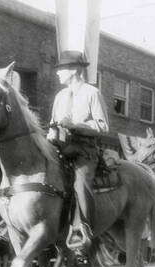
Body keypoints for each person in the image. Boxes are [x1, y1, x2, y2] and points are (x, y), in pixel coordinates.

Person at [47, 51, 109, 249]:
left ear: (74, 70)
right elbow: (52, 126)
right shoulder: (60, 96)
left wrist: (75, 125)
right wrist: (48, 141)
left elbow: (103, 127)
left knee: (81, 184)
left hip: (84, 149)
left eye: (61, 69)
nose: (57, 73)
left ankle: (84, 231)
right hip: (61, 146)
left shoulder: (92, 93)